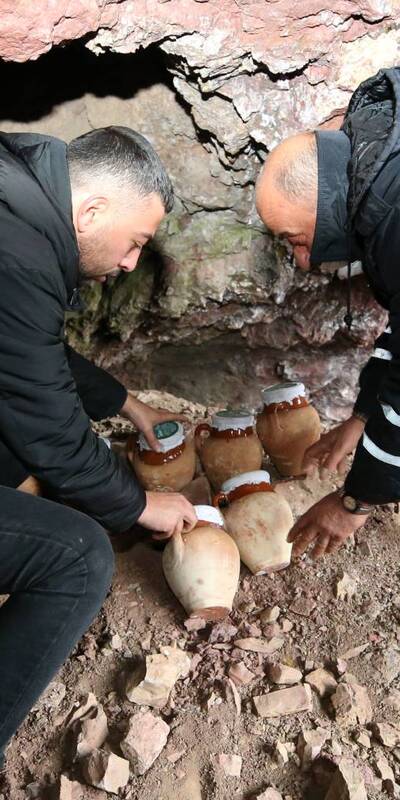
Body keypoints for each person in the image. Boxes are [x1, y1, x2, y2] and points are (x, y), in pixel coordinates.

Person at [0, 125, 197, 766]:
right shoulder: (18, 252)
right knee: (79, 558)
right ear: (90, 212)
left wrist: (130, 407)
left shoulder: (17, 193)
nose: (131, 262)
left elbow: (27, 350)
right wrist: (140, 505)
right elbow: (53, 432)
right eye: (136, 242)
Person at [256, 67, 400, 560]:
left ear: (331, 203)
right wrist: (360, 418)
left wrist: (354, 501)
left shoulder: (395, 218)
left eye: (297, 240)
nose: (304, 260)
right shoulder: (383, 180)